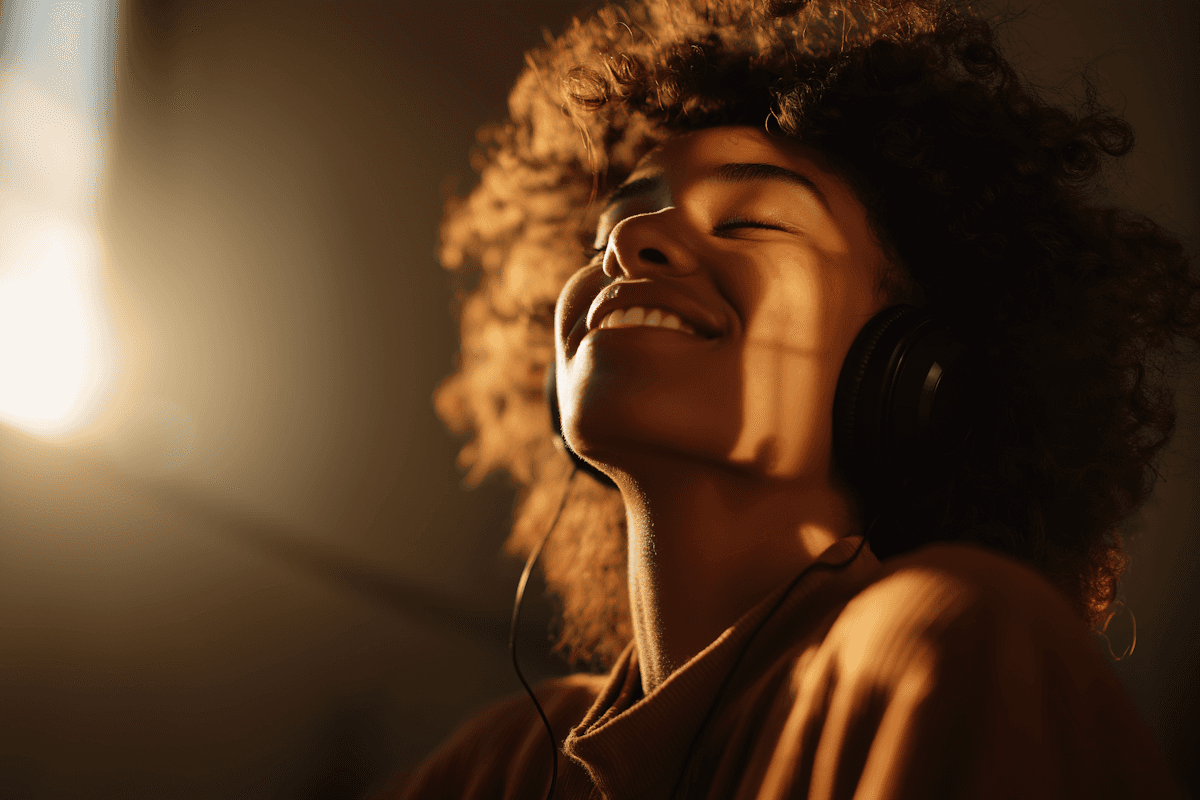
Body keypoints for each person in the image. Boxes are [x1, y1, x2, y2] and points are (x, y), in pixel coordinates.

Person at [378, 0, 1198, 797]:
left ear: (909, 373)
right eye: (607, 234)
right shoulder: (501, 766)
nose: (627, 240)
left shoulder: (948, 648)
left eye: (750, 223)